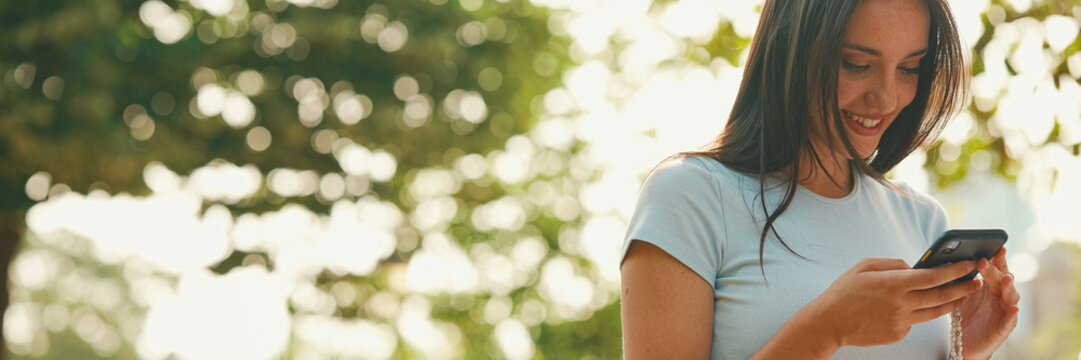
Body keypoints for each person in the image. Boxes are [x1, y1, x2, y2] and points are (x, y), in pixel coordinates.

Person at [619, 0, 1020, 359]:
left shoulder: (921, 219)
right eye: (857, 64)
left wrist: (965, 351)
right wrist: (825, 331)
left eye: (908, 68)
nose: (885, 98)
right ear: (791, 50)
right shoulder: (690, 198)